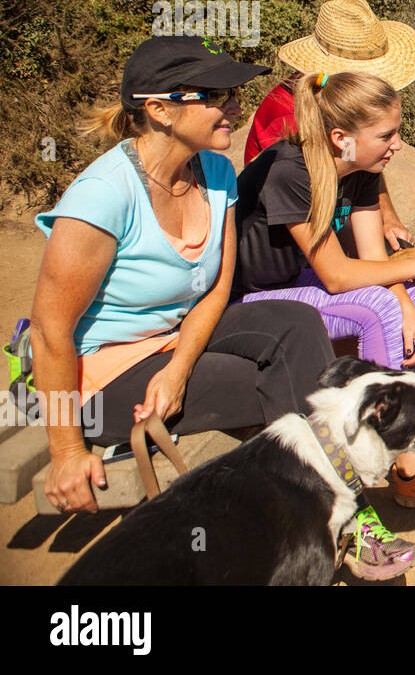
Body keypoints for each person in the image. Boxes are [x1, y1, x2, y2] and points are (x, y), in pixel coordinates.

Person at [29, 36, 338, 525]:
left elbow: (218, 287)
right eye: (216, 97)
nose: (235, 107)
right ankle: (319, 509)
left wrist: (179, 368)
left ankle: (315, 496)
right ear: (160, 111)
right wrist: (67, 451)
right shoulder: (102, 197)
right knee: (272, 381)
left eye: (232, 95)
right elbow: (49, 331)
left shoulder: (215, 170)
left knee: (298, 323)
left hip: (175, 341)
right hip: (103, 373)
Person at [232, 69, 415, 529]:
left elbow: (372, 256)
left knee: (404, 297)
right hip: (250, 301)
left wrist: (411, 296)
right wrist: (412, 270)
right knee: (378, 306)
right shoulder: (291, 170)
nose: (398, 144)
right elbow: (339, 274)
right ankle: (410, 469)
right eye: (387, 134)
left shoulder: (362, 170)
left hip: (298, 281)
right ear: (341, 137)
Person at [244, 0, 415, 252]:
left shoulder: (342, 128)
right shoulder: (288, 117)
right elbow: (295, 193)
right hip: (293, 234)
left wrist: (388, 216)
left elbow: (360, 160)